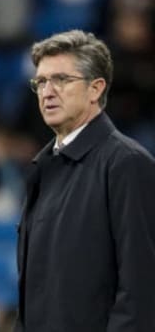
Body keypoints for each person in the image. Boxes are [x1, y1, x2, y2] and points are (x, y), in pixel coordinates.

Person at [14, 30, 155, 331]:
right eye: (41, 82)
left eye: (61, 80)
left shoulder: (127, 163)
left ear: (95, 89)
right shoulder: (43, 165)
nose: (47, 91)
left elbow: (141, 287)